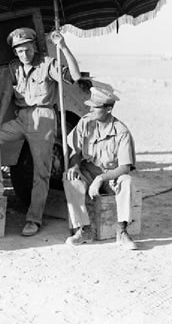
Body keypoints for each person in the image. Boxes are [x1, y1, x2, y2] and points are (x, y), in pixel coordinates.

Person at [0, 27, 81, 236]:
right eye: (19, 51)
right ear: (15, 52)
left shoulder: (47, 64)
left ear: (34, 47)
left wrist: (63, 47)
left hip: (43, 119)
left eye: (27, 50)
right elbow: (8, 94)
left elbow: (75, 75)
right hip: (22, 118)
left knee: (41, 172)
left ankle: (33, 219)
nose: (24, 55)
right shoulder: (14, 67)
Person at [64, 86, 138, 250]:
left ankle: (122, 231)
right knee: (70, 178)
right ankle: (84, 230)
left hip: (111, 176)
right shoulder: (85, 122)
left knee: (127, 181)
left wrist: (101, 179)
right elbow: (75, 151)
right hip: (89, 172)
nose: (90, 109)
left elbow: (125, 167)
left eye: (95, 107)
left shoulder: (121, 132)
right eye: (90, 106)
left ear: (109, 109)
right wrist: (75, 166)